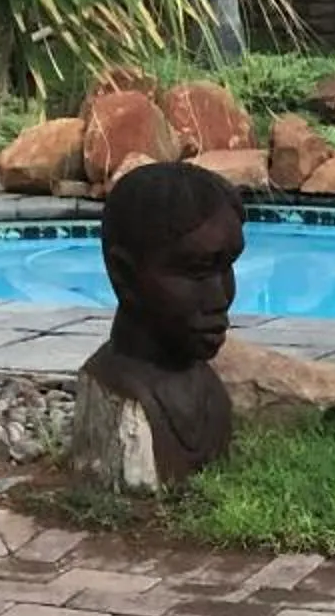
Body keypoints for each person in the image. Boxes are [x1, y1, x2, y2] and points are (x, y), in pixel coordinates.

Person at [79, 160, 243, 489]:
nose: (220, 295)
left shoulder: (211, 391)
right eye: (195, 271)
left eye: (227, 267)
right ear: (124, 274)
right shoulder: (115, 393)